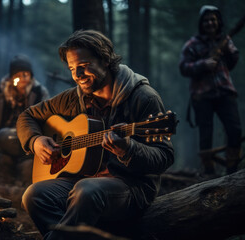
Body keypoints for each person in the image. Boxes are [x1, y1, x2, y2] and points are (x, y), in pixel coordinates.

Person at [16, 30, 174, 239]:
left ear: (105, 60)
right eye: (72, 68)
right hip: (82, 179)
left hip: (130, 185)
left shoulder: (143, 98)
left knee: (87, 190)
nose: (77, 75)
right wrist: (35, 140)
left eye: (83, 66)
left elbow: (164, 156)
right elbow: (27, 116)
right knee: (34, 195)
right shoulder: (74, 98)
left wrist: (129, 149)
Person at [179, 5, 242, 175]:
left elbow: (232, 62)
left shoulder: (226, 40)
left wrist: (229, 52)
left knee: (235, 130)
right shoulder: (192, 44)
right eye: (206, 20)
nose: (210, 23)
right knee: (205, 135)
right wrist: (203, 64)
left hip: (225, 91)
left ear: (218, 22)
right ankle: (209, 174)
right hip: (201, 95)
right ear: (202, 23)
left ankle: (232, 171)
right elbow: (183, 67)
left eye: (213, 19)